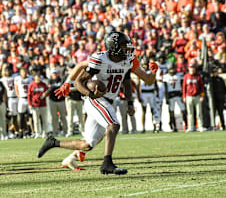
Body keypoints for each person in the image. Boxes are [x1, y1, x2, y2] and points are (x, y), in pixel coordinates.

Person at [37, 32, 159, 174]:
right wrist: (77, 88)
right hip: (95, 98)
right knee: (113, 125)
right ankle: (107, 164)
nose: (128, 50)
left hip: (108, 101)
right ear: (114, 47)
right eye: (124, 46)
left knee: (87, 145)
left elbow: (142, 80)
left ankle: (53, 142)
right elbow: (78, 81)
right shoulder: (101, 59)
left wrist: (153, 73)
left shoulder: (129, 60)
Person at [137, 58, 160, 133]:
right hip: (144, 93)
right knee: (144, 111)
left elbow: (155, 82)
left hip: (151, 92)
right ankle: (143, 128)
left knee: (153, 110)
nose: (144, 66)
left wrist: (157, 93)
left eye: (146, 65)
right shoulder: (140, 73)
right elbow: (138, 85)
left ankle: (155, 127)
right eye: (143, 65)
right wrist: (138, 95)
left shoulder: (151, 72)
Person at [163, 63, 187, 132]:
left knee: (183, 110)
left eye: (173, 69)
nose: (172, 71)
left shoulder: (179, 75)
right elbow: (166, 88)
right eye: (170, 69)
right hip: (170, 95)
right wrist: (166, 98)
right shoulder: (166, 77)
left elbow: (182, 86)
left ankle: (186, 125)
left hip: (178, 94)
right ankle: (174, 126)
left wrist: (183, 95)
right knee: (171, 112)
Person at [182, 63, 205, 132]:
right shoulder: (186, 76)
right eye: (191, 68)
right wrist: (184, 96)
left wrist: (202, 95)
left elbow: (202, 87)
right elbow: (184, 87)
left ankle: (200, 126)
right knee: (190, 113)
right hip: (188, 96)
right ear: (188, 68)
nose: (192, 69)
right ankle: (191, 127)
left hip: (197, 96)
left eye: (193, 68)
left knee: (199, 113)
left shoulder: (198, 76)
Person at [64, 64, 84, 137]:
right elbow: (63, 87)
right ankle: (70, 131)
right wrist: (75, 88)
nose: (72, 70)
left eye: (73, 68)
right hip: (70, 99)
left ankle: (82, 130)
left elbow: (82, 86)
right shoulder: (66, 77)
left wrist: (73, 89)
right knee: (70, 116)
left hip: (79, 99)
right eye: (70, 68)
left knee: (80, 117)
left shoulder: (79, 76)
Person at [47, 68, 68, 137]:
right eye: (53, 73)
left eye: (55, 73)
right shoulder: (49, 81)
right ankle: (55, 131)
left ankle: (65, 131)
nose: (54, 75)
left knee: (63, 117)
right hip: (52, 101)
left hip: (61, 100)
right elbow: (49, 90)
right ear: (51, 74)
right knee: (54, 117)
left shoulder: (61, 80)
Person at [28, 73, 49, 139]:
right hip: (35, 105)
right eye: (36, 77)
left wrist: (45, 95)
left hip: (43, 104)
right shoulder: (31, 85)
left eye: (39, 77)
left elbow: (47, 93)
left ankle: (44, 132)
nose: (37, 78)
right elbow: (29, 95)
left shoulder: (43, 85)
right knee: (36, 120)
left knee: (44, 119)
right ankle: (37, 133)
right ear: (34, 77)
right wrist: (30, 104)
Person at [0, 66, 19, 138]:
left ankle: (17, 131)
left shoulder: (15, 77)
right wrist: (5, 101)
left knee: (16, 116)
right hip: (9, 98)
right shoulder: (2, 80)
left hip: (16, 97)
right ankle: (10, 131)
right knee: (9, 116)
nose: (8, 72)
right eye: (6, 71)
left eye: (9, 70)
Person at [14, 67, 33, 138]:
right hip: (22, 98)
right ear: (20, 73)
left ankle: (32, 131)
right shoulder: (17, 78)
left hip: (29, 98)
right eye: (22, 72)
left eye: (25, 72)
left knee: (31, 115)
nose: (24, 73)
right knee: (21, 116)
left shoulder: (30, 78)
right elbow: (16, 88)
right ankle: (21, 131)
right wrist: (18, 96)